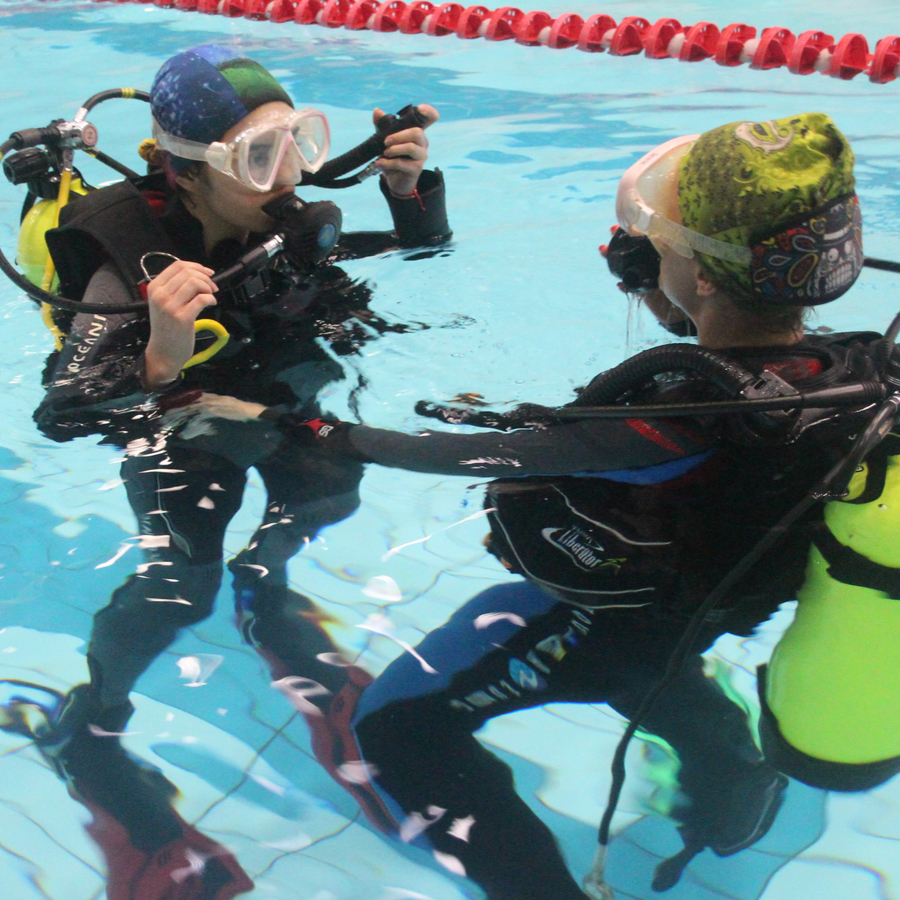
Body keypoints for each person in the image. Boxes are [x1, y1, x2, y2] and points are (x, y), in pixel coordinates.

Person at [170, 113, 882, 899]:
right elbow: (717, 344)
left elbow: (459, 455)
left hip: (603, 619)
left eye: (666, 243)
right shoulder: (847, 374)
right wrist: (671, 291)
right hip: (697, 604)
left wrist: (287, 425)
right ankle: (732, 797)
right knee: (651, 669)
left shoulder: (669, 423)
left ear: (707, 274)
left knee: (396, 726)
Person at [18, 44, 450, 900]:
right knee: (183, 580)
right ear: (186, 173)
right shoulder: (123, 263)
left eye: (296, 141)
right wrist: (161, 358)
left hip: (282, 391)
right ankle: (91, 718)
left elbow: (423, 258)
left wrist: (409, 197)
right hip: (181, 422)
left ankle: (271, 589)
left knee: (326, 493)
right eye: (260, 155)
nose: (288, 171)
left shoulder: (284, 217)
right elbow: (64, 409)